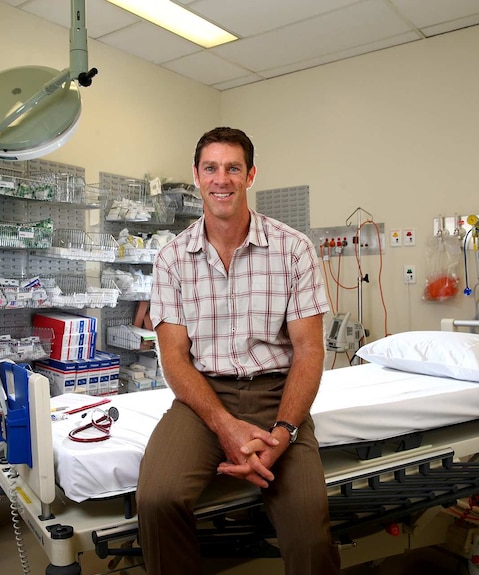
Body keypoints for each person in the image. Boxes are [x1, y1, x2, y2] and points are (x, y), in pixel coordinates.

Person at [136, 127, 341, 574]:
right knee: (156, 499)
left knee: (309, 526)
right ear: (196, 176)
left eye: (233, 168)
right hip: (203, 399)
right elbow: (173, 358)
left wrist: (285, 431)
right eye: (211, 168)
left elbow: (308, 352)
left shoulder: (293, 250)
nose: (221, 179)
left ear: (250, 176)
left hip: (277, 397)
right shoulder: (171, 258)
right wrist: (224, 426)